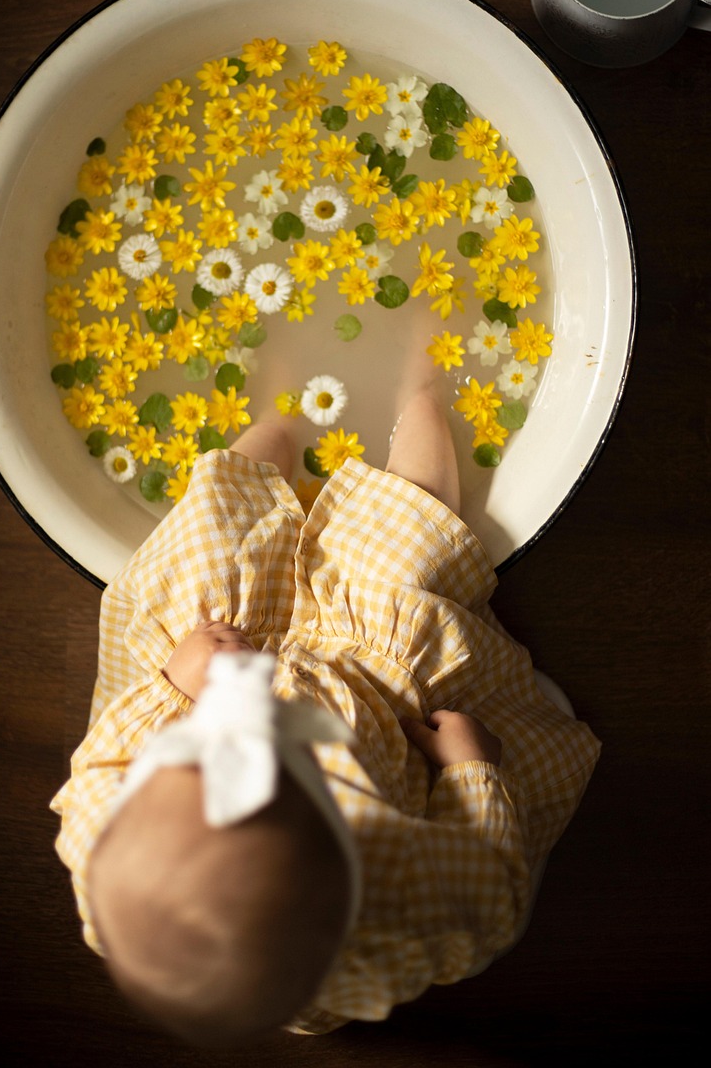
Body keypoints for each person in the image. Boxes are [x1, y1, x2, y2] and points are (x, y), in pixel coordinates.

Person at [50, 337, 601, 1047]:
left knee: (209, 524)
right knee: (411, 541)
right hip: (374, 695)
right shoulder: (400, 899)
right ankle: (421, 389)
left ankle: (279, 413)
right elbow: (488, 889)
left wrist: (172, 691)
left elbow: (97, 769)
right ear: (354, 834)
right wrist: (470, 770)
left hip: (214, 658)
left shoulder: (105, 851)